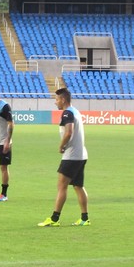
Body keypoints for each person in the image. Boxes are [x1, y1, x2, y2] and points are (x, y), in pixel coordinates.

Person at [38, 88, 90, 227]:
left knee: (62, 186)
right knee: (78, 186)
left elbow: (68, 132)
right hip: (81, 155)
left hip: (71, 156)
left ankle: (55, 219)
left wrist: (61, 146)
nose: (55, 103)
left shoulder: (67, 113)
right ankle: (85, 218)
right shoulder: (75, 111)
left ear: (63, 99)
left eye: (56, 99)